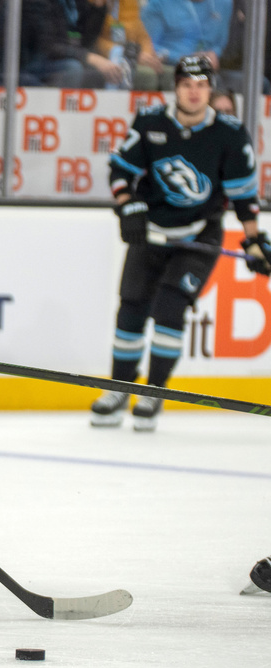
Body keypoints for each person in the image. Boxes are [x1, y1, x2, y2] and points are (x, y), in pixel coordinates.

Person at [90, 55, 270, 432]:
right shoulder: (151, 121)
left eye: (201, 85)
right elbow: (120, 170)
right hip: (151, 232)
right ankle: (118, 388)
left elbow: (243, 196)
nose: (194, 92)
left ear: (210, 88)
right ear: (176, 87)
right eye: (187, 85)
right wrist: (130, 208)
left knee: (170, 309)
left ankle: (154, 392)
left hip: (198, 235)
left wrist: (253, 241)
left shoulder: (230, 133)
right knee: (132, 309)